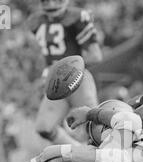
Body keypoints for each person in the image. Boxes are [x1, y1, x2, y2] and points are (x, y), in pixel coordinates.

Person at [26, 0, 103, 145]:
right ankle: (78, 152)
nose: (51, 5)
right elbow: (44, 55)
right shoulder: (36, 20)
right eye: (45, 1)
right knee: (44, 127)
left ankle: (111, 159)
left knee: (95, 128)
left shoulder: (77, 17)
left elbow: (95, 55)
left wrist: (69, 68)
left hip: (78, 79)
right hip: (55, 82)